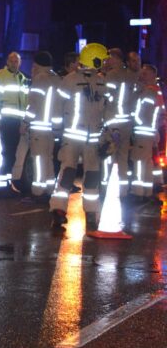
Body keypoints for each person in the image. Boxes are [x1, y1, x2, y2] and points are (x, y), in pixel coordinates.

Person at [49, 43, 110, 231]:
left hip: (79, 137)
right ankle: (77, 213)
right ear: (95, 59)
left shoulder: (94, 82)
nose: (105, 63)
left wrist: (58, 130)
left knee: (76, 174)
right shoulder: (90, 81)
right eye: (103, 59)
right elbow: (57, 106)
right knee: (83, 174)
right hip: (82, 137)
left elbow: (107, 110)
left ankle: (65, 212)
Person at [0, 51, 29, 195]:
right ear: (7, 61)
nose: (14, 63)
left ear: (20, 63)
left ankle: (6, 185)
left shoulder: (22, 78)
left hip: (18, 123)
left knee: (12, 155)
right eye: (11, 60)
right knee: (6, 154)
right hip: (5, 122)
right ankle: (0, 187)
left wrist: (25, 121)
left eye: (16, 61)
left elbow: (26, 102)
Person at [24, 51, 62, 201]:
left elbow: (33, 104)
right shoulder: (57, 79)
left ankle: (38, 192)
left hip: (39, 126)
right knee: (48, 159)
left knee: (39, 160)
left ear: (37, 64)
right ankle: (50, 189)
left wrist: (25, 122)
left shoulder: (40, 79)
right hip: (52, 128)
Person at [100, 48, 137, 195]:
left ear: (115, 58)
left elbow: (105, 97)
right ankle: (124, 191)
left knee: (108, 156)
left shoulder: (112, 75)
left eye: (109, 58)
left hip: (113, 123)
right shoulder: (130, 75)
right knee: (123, 159)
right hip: (126, 123)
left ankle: (104, 187)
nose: (107, 61)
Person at [129, 64, 164, 202]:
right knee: (147, 163)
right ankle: (147, 192)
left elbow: (141, 114)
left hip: (143, 132)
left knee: (139, 163)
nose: (141, 76)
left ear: (151, 75)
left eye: (144, 74)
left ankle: (138, 193)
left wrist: (134, 121)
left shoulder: (148, 92)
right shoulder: (154, 91)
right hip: (148, 131)